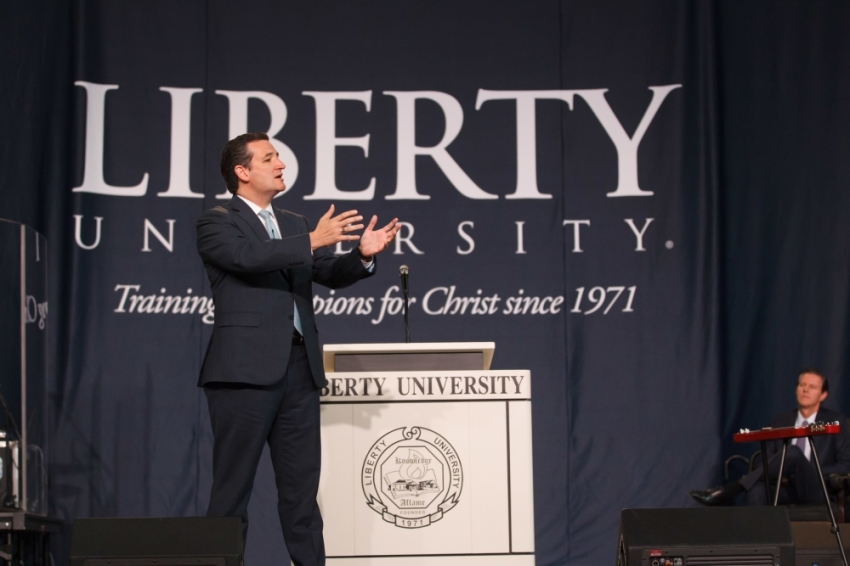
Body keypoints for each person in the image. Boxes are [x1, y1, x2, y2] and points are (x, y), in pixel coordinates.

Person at [195, 132, 400, 565]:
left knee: (302, 495)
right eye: (269, 158)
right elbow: (247, 257)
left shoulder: (293, 223)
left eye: (279, 157)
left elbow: (330, 273)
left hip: (299, 373)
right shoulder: (217, 222)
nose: (281, 164)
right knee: (231, 492)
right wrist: (312, 240)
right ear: (242, 171)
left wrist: (362, 256)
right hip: (242, 374)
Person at [690, 369, 850, 506]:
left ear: (823, 395)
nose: (805, 390)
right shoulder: (781, 421)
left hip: (816, 488)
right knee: (755, 490)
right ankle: (760, 534)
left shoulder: (835, 421)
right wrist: (783, 472)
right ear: (796, 390)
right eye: (802, 385)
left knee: (793, 452)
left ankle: (732, 489)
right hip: (785, 487)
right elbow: (763, 461)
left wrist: (803, 469)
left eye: (812, 387)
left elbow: (845, 465)